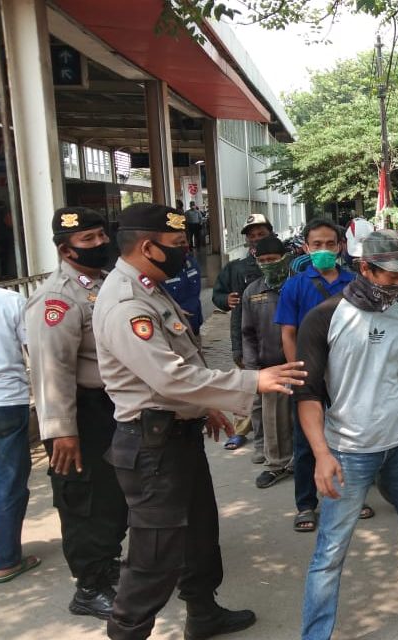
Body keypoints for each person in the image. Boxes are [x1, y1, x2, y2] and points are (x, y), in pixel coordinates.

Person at [92, 202, 307, 640]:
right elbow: (168, 377)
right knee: (154, 555)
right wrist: (252, 380)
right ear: (148, 247)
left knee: (199, 537)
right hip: (151, 446)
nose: (185, 253)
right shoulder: (126, 303)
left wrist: (203, 407)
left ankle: (203, 614)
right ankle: (127, 631)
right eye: (177, 246)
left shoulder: (150, 287)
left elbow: (179, 360)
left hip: (175, 433)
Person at [296, 229, 398, 640]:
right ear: (365, 268)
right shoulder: (324, 318)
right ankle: (315, 634)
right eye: (391, 276)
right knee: (331, 548)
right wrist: (321, 454)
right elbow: (309, 395)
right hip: (349, 450)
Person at [25, 207, 128, 617]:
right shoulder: (55, 299)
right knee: (86, 501)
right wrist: (61, 431)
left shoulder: (102, 285)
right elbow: (51, 371)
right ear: (66, 249)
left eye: (102, 235)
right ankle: (89, 587)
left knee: (114, 497)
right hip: (80, 416)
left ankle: (107, 565)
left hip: (111, 409)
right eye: (89, 239)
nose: (101, 243)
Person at [274, 217, 356, 532]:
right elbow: (288, 334)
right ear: (306, 248)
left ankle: (350, 497)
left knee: (348, 439)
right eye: (317, 245)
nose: (323, 250)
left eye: (330, 244)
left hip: (347, 376)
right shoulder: (295, 285)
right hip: (309, 376)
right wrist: (299, 375)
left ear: (340, 247)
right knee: (307, 441)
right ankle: (306, 504)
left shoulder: (353, 283)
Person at [212, 214, 271, 458]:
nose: (256, 240)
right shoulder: (236, 268)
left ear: (271, 234)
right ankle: (249, 435)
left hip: (277, 338)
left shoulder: (283, 264)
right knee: (250, 392)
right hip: (246, 339)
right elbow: (218, 294)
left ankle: (277, 441)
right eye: (252, 236)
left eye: (261, 235)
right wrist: (225, 300)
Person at [0, 282, 37, 583]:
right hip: (6, 401)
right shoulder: (10, 300)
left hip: (6, 401)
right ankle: (6, 559)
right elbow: (35, 349)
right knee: (8, 481)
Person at [242, 235, 295, 489]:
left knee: (306, 418)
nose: (268, 264)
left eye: (273, 259)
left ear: (285, 258)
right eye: (263, 261)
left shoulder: (299, 285)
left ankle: (304, 462)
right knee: (273, 420)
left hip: (301, 363)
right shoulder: (253, 292)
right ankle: (276, 465)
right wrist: (252, 370)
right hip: (270, 366)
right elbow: (247, 333)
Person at [161, 251, 204, 334]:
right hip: (175, 326)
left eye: (184, 242)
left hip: (194, 324)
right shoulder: (161, 268)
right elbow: (157, 303)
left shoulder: (191, 262)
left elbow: (195, 293)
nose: (183, 245)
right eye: (177, 242)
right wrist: (175, 311)